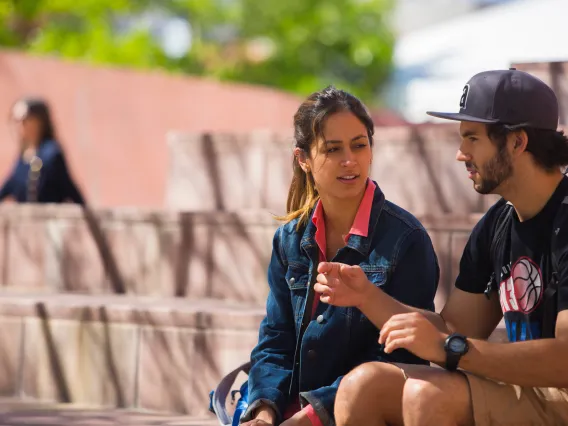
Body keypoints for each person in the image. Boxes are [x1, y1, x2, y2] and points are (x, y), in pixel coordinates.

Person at [315, 69, 568, 425]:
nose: (461, 154)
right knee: (363, 385)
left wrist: (451, 348)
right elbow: (454, 327)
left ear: (517, 142)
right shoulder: (497, 225)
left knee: (428, 394)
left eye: (472, 138)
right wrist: (366, 297)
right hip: (531, 390)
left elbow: (565, 361)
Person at [240, 86, 439, 426]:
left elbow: (402, 358)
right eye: (333, 150)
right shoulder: (289, 239)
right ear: (303, 159)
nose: (350, 160)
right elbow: (275, 341)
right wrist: (262, 413)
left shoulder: (406, 238)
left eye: (359, 145)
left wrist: (312, 416)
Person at [0, 97, 85, 204]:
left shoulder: (51, 153)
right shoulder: (23, 157)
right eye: (15, 121)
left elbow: (70, 190)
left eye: (23, 120)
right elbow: (8, 188)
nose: (18, 126)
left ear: (38, 122)